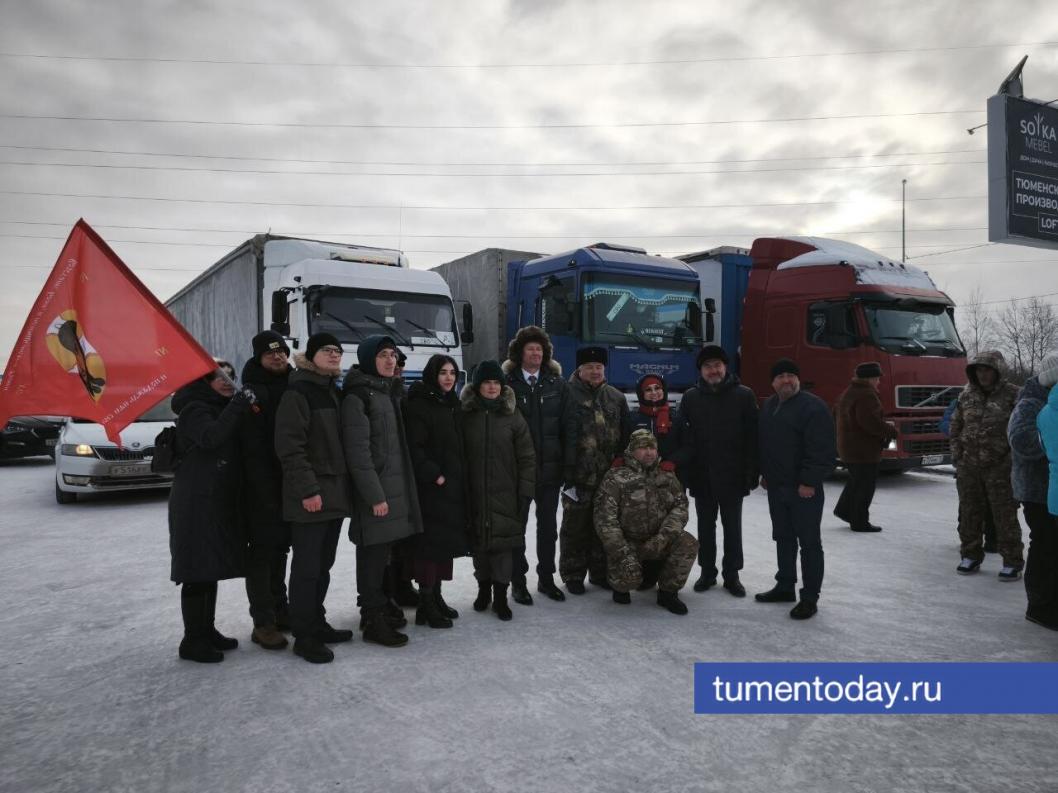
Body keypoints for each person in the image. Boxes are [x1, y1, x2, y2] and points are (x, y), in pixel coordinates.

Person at [275, 333, 353, 664]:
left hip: (333, 496)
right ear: (311, 355)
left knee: (323, 565)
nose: (334, 355)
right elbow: (290, 446)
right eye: (327, 350)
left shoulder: (330, 390)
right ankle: (304, 636)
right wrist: (308, 490)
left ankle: (317, 623)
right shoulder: (298, 391)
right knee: (307, 568)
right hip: (310, 497)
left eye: (337, 350)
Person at [169, 364, 256, 662]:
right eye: (219, 376)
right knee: (196, 569)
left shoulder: (217, 406)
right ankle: (193, 639)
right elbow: (210, 438)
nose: (226, 381)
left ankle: (206, 629)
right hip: (195, 501)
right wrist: (238, 407)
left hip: (213, 498)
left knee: (209, 567)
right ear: (203, 382)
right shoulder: (194, 408)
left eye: (229, 375)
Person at [341, 335, 423, 647]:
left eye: (393, 355)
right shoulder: (358, 397)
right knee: (372, 556)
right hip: (376, 494)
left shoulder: (386, 392)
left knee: (385, 555)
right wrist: (374, 496)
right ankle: (372, 619)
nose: (390, 360)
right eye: (383, 355)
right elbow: (358, 454)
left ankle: (381, 608)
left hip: (393, 489)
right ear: (367, 359)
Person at [756, 358, 837, 620]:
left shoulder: (813, 407)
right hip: (777, 488)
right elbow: (766, 445)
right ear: (773, 382)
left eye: (791, 375)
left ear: (798, 380)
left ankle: (810, 597)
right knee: (783, 537)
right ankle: (785, 586)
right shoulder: (769, 406)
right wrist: (765, 475)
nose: (786, 381)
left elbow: (822, 450)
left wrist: (809, 481)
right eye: (780, 377)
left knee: (809, 544)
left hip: (804, 490)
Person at [676, 345, 758, 597]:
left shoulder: (744, 395)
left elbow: (753, 438)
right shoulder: (691, 397)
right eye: (708, 366)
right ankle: (707, 572)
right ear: (701, 370)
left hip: (732, 475)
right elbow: (684, 438)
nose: (713, 370)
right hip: (702, 476)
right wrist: (685, 472)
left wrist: (752, 472)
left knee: (732, 528)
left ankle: (732, 575)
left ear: (726, 367)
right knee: (705, 528)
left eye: (717, 365)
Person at [461, 360, 536, 621]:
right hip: (475, 493)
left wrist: (525, 491)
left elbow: (527, 456)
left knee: (503, 548)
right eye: (487, 383)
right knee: (480, 547)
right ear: (477, 386)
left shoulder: (513, 416)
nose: (492, 387)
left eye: (496, 383)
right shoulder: (465, 415)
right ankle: (483, 591)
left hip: (507, 492)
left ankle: (501, 598)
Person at [594, 430, 697, 614]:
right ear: (632, 450)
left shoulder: (667, 475)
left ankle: (667, 593)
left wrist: (663, 538)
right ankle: (623, 584)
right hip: (628, 544)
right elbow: (605, 520)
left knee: (687, 542)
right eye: (643, 447)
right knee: (629, 579)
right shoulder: (616, 476)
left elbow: (680, 507)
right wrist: (623, 553)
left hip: (658, 540)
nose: (649, 452)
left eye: (652, 447)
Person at [503, 326, 570, 605]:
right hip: (518, 472)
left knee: (547, 529)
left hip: (551, 471)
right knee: (516, 528)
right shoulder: (507, 384)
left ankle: (546, 578)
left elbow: (570, 428)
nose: (535, 353)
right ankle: (518, 582)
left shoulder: (557, 384)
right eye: (531, 349)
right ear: (520, 353)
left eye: (540, 350)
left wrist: (568, 466)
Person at [403, 354, 469, 628]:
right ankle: (425, 603)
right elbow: (414, 447)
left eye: (452, 372)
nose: (449, 377)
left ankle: (437, 597)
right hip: (432, 488)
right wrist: (436, 476)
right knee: (429, 548)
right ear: (432, 374)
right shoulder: (420, 404)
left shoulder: (452, 404)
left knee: (444, 546)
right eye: (443, 372)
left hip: (452, 487)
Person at [560, 346, 632, 594]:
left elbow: (626, 437)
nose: (594, 371)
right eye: (589, 367)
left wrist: (621, 462)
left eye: (599, 367)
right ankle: (573, 574)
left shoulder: (616, 397)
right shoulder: (565, 393)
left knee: (605, 526)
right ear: (579, 369)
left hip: (608, 478)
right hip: (576, 475)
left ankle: (600, 573)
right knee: (575, 527)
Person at [239, 330, 294, 650]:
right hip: (259, 485)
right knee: (262, 553)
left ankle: (280, 608)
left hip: (289, 482)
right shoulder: (248, 390)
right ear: (259, 357)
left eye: (282, 352)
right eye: (271, 353)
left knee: (282, 549)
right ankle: (263, 622)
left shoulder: (293, 384)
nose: (278, 357)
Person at [949, 350, 1023, 579]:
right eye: (978, 370)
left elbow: (1020, 431)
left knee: (1004, 516)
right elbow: (955, 425)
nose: (982, 374)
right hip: (968, 467)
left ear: (997, 371)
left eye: (987, 370)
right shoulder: (966, 395)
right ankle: (970, 555)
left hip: (1000, 468)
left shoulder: (1013, 394)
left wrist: (1010, 461)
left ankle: (1012, 561)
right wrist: (957, 456)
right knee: (970, 513)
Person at [1009, 352, 1058, 630]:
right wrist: (1051, 440)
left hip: (1053, 487)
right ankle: (1039, 606)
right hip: (1036, 490)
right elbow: (1020, 441)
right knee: (1044, 546)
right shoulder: (1029, 403)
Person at [833, 361, 897, 533]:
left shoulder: (849, 392)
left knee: (856, 482)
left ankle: (845, 511)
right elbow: (870, 422)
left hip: (849, 447)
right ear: (870, 378)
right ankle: (859, 522)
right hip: (863, 450)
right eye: (877, 378)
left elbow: (836, 413)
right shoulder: (866, 395)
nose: (879, 382)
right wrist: (891, 431)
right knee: (865, 486)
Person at [942, 396, 998, 552]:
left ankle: (993, 540)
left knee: (992, 503)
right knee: (968, 505)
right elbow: (945, 423)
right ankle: (967, 539)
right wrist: (967, 433)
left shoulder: (1001, 399)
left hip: (993, 464)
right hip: (967, 464)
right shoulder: (961, 400)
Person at [632, 374, 681, 463]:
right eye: (648, 390)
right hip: (639, 471)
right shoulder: (632, 419)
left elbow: (688, 446)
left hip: (669, 471)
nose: (654, 393)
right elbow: (624, 447)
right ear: (641, 394)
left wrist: (673, 461)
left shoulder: (676, 417)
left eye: (657, 388)